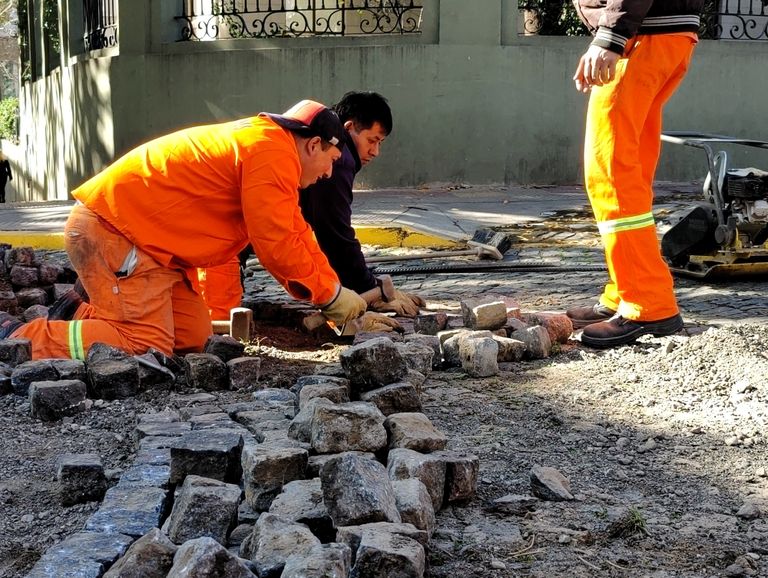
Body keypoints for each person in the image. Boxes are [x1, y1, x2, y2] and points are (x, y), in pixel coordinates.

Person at [0, 100, 368, 359]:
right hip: (114, 233)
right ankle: (20, 337)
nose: (329, 173)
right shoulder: (270, 152)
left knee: (193, 336)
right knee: (146, 344)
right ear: (315, 144)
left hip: (148, 248)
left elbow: (295, 231)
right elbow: (276, 241)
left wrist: (334, 290)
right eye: (332, 161)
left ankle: (86, 314)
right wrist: (329, 297)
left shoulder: (269, 151)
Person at [201, 91, 424, 329]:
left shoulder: (285, 153)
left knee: (198, 331)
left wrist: (342, 290)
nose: (329, 173)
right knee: (204, 335)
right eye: (372, 140)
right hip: (201, 236)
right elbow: (298, 241)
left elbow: (302, 235)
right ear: (315, 144)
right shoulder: (285, 156)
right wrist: (334, 295)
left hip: (208, 235)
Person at [565, 0, 703, 348]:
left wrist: (611, 35)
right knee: (632, 171)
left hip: (643, 34)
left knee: (611, 174)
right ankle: (625, 291)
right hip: (664, 34)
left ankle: (647, 304)